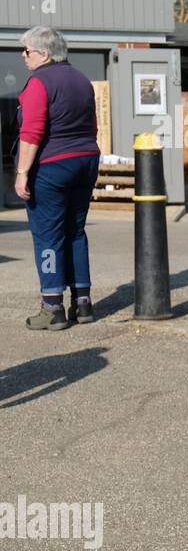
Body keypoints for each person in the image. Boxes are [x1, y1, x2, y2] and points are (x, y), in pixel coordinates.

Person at [12, 26, 101, 328]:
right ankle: (83, 303)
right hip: (86, 160)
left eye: (26, 51)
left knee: (48, 235)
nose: (23, 56)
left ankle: (52, 307)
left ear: (44, 53)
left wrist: (22, 173)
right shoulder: (81, 80)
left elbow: (32, 132)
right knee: (75, 231)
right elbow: (93, 126)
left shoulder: (39, 82)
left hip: (52, 166)